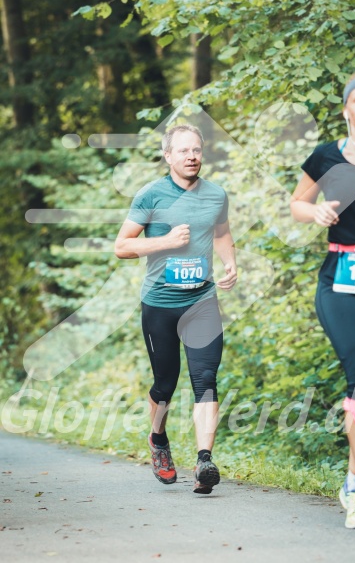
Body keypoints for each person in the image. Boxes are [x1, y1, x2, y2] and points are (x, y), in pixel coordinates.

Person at [115, 124, 237, 494]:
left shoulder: (216, 195)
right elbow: (122, 246)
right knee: (165, 384)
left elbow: (221, 233)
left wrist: (230, 262)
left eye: (196, 150)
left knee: (205, 379)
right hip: (160, 304)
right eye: (183, 151)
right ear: (168, 156)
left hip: (201, 301)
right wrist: (164, 241)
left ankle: (204, 461)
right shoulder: (151, 195)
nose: (192, 156)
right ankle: (158, 440)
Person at [290, 70, 355, 529]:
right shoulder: (327, 157)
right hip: (341, 280)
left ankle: (352, 484)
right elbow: (297, 203)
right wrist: (318, 210)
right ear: (347, 109)